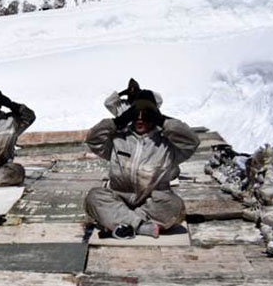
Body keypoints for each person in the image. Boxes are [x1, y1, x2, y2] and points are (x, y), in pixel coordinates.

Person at [85, 90, 200, 239]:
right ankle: (139, 226)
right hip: (119, 200)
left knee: (175, 205)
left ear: (154, 116)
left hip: (152, 204)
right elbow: (93, 140)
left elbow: (192, 142)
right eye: (136, 114)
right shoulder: (119, 138)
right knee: (94, 197)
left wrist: (164, 122)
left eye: (146, 115)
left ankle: (121, 223)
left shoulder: (167, 143)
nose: (140, 119)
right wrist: (116, 122)